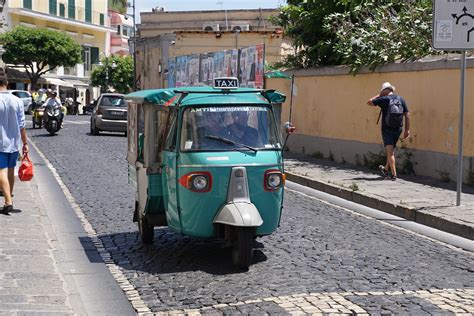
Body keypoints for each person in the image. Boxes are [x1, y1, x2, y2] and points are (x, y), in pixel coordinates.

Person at [367, 82, 410, 180]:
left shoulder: (384, 99)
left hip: (387, 129)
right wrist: (407, 130)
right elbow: (407, 114)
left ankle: (394, 175)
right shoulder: (401, 99)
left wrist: (379, 95)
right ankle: (386, 168)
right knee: (390, 150)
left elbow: (369, 102)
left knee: (390, 153)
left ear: (384, 91)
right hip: (398, 129)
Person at [0, 68, 28, 214]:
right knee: (11, 171)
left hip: (0, 142)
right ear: (7, 83)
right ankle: (8, 198)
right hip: (13, 143)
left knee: (1, 171)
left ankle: (8, 201)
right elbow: (22, 125)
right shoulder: (17, 101)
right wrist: (25, 143)